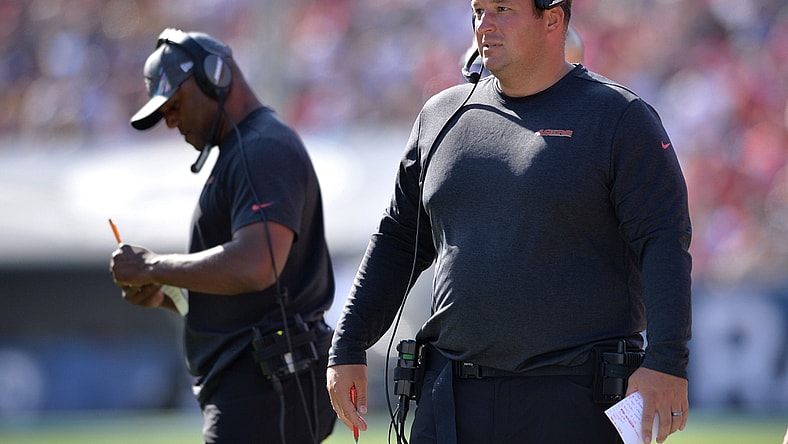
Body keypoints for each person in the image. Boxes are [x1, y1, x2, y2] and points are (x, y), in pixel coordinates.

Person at [326, 1, 691, 443]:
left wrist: (667, 361)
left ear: (553, 19)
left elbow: (663, 243)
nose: (485, 24)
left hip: (574, 399)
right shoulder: (440, 116)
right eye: (479, 10)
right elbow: (398, 239)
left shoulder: (618, 117)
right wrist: (348, 344)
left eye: (503, 9)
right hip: (452, 396)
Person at [110, 28, 336, 444]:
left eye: (174, 105)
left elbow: (256, 266)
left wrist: (153, 265)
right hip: (260, 391)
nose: (171, 121)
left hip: (266, 393)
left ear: (215, 76)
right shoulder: (245, 151)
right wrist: (167, 292)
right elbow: (252, 300)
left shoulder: (262, 148)